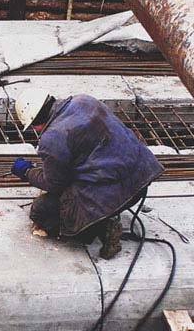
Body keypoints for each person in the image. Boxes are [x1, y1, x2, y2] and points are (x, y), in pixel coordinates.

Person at [11, 88, 163, 259]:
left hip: (113, 195)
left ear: (35, 122)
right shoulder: (84, 100)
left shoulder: (52, 138)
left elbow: (54, 184)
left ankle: (102, 229)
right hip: (141, 179)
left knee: (42, 211)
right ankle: (104, 217)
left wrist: (27, 171)